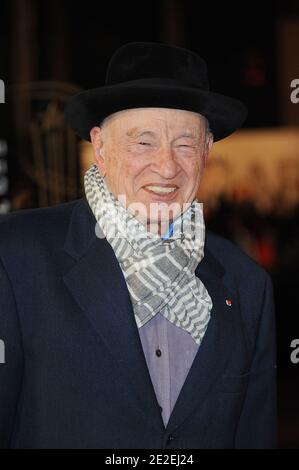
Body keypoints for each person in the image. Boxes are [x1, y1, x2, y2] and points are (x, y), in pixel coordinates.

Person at [0, 42, 276, 449]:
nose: (166, 167)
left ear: (206, 151)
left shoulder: (246, 285)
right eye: (143, 142)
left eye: (184, 143)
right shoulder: (16, 258)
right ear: (101, 148)